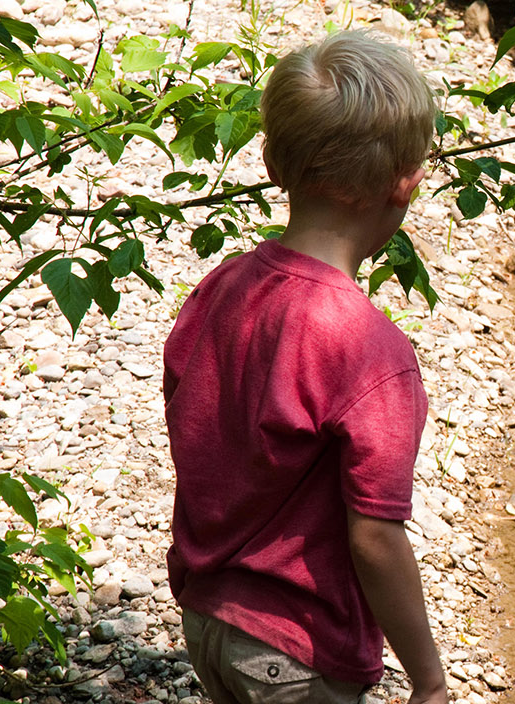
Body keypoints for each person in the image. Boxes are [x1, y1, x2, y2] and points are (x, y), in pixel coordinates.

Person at [162, 30, 447, 704]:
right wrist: (429, 680)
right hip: (297, 655)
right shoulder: (371, 351)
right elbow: (375, 534)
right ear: (406, 185)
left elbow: (192, 422)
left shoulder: (219, 289)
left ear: (270, 160)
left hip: (206, 620)